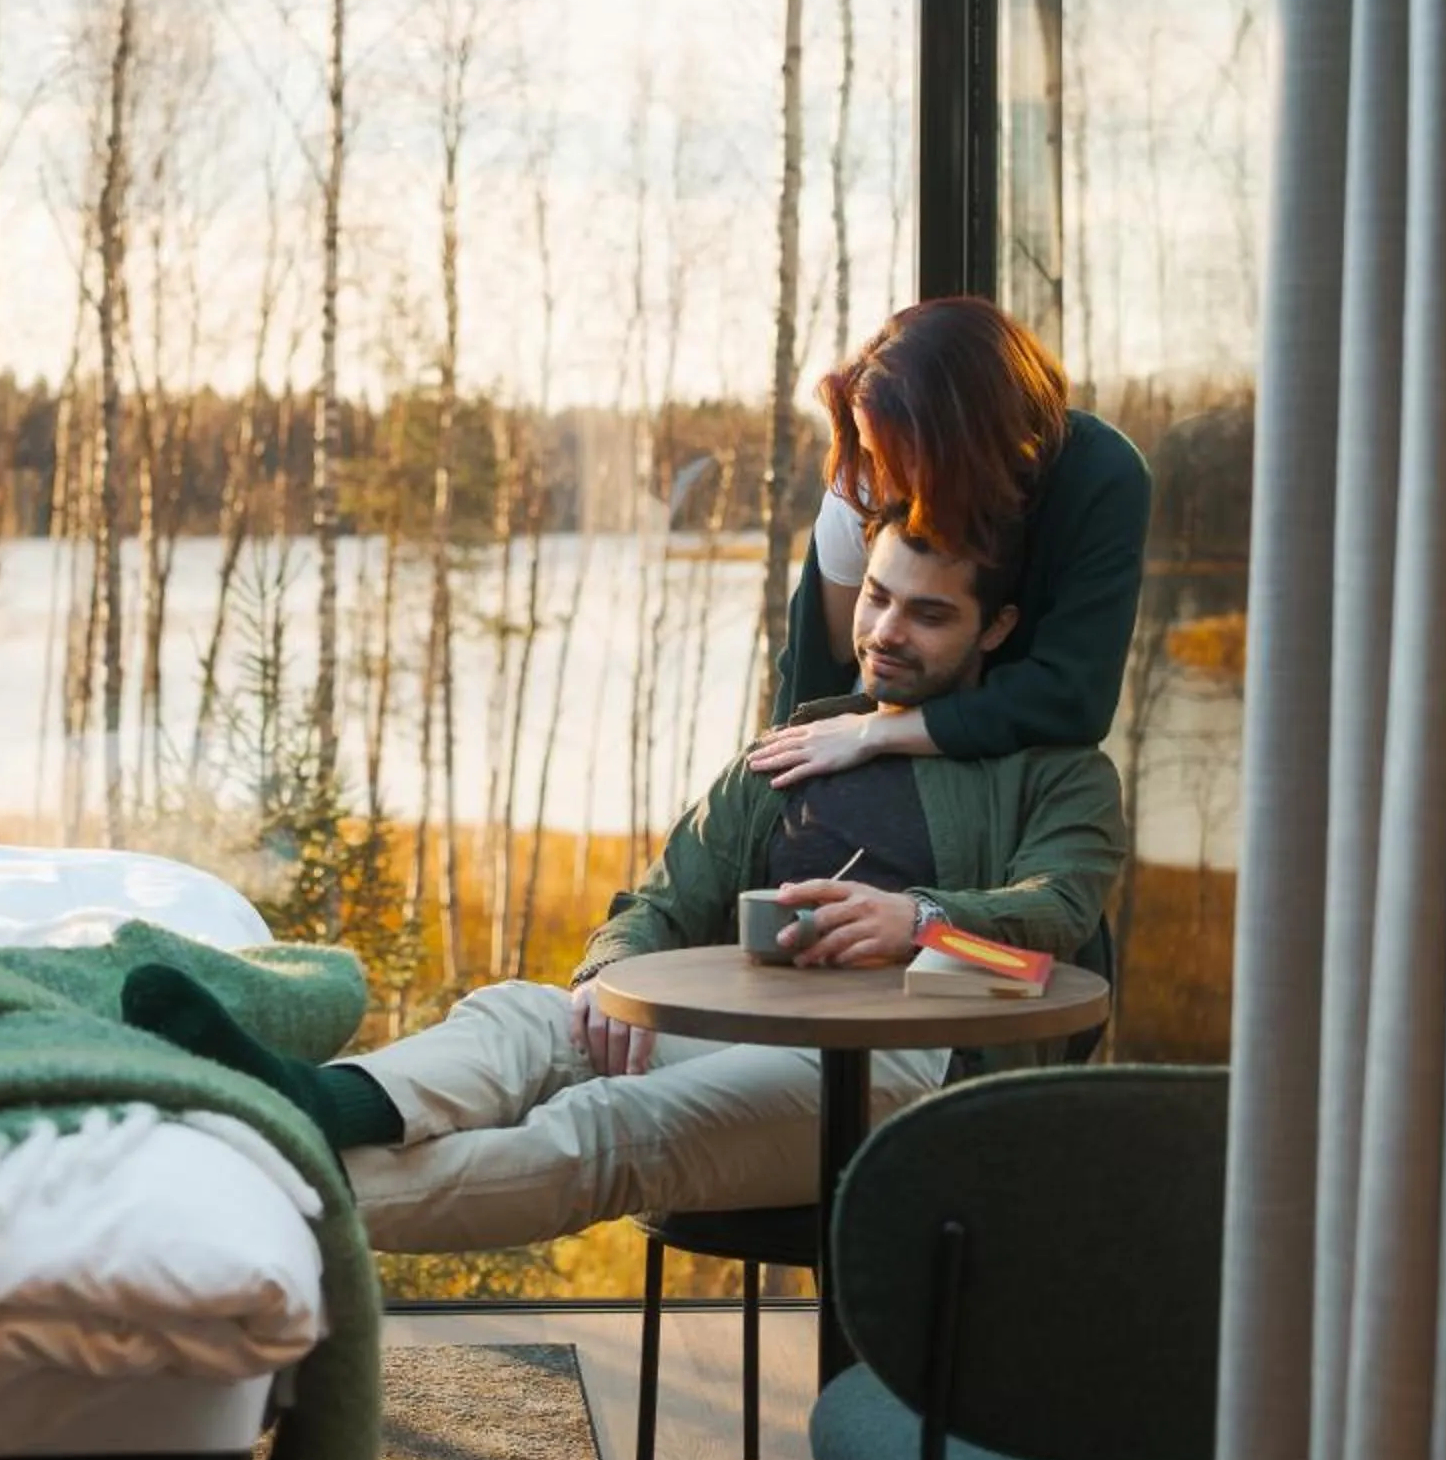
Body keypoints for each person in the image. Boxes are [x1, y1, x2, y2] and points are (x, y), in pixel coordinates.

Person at [120, 508, 1127, 1254]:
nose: (886, 631)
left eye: (929, 614)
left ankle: (254, 1190)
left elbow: (1058, 915)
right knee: (526, 1019)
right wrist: (609, 977)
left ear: (996, 627)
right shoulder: (799, 747)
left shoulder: (1055, 772)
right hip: (753, 1031)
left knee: (608, 1125)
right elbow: (658, 902)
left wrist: (917, 919)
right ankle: (313, 1101)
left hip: (917, 1072)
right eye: (876, 596)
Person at [749, 297, 1153, 788]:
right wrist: (776, 799)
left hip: (1018, 767)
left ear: (967, 447)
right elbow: (812, 679)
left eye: (898, 460)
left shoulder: (1100, 476)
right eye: (870, 452)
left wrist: (874, 734)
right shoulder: (860, 481)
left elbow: (1071, 696)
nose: (879, 485)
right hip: (865, 750)